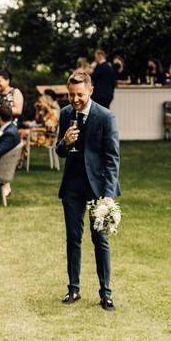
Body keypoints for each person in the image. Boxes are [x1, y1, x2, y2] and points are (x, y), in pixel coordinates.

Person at [55, 70, 120, 311]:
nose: (75, 100)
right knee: (73, 239)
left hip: (98, 188)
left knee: (100, 239)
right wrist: (65, 142)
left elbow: (113, 158)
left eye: (79, 95)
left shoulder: (105, 117)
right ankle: (73, 289)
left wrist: (108, 194)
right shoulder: (65, 114)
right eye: (71, 95)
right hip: (72, 187)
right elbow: (58, 151)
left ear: (90, 91)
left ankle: (106, 293)